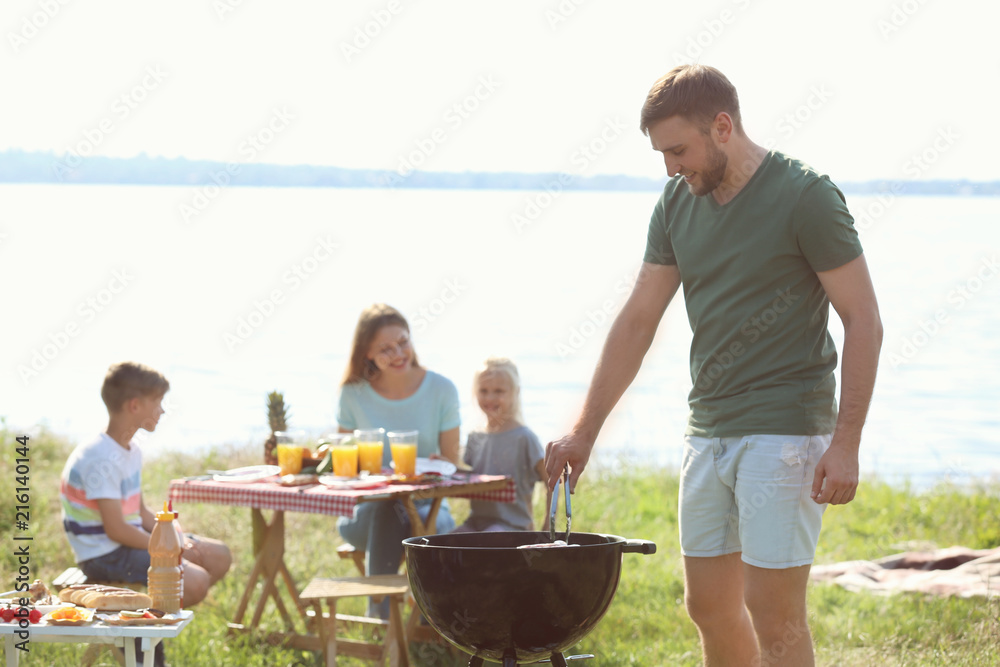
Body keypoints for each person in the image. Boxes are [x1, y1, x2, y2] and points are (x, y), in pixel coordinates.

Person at [545, 65, 883, 666]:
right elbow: (637, 321)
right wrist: (583, 431)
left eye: (678, 149)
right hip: (708, 430)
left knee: (773, 610)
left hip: (785, 429)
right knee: (707, 606)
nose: (671, 167)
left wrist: (846, 441)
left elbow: (864, 320)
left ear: (722, 126)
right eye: (661, 154)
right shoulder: (677, 202)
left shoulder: (806, 195)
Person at [60, 362, 232, 665]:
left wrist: (174, 535)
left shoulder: (130, 449)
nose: (163, 411)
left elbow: (137, 512)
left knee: (218, 556)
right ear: (135, 405)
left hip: (126, 543)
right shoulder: (99, 457)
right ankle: (144, 643)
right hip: (104, 555)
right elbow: (117, 530)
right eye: (158, 402)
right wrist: (170, 549)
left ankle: (146, 628)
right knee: (194, 582)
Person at [335, 303, 459, 616]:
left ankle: (382, 622)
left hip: (429, 512)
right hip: (364, 515)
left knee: (395, 511)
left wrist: (439, 464)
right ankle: (384, 624)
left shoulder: (442, 390)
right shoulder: (353, 394)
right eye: (385, 349)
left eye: (403, 341)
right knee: (386, 509)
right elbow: (342, 462)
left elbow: (452, 465)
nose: (398, 353)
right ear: (367, 354)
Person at [452, 357, 550, 533]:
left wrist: (548, 524)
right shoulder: (475, 436)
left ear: (515, 392)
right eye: (483, 390)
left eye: (498, 391)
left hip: (514, 526)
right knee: (444, 544)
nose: (490, 398)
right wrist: (444, 468)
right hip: (476, 523)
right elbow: (476, 477)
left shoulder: (524, 438)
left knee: (490, 538)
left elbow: (552, 482)